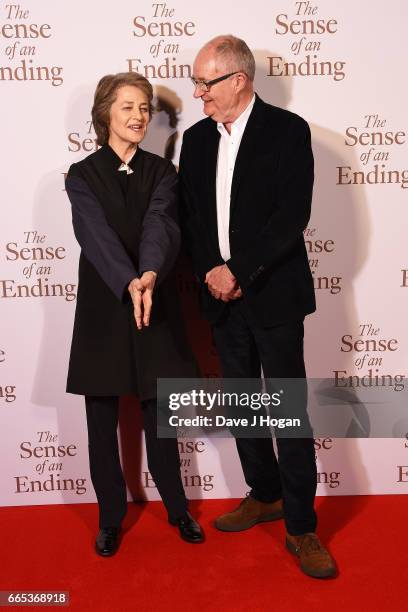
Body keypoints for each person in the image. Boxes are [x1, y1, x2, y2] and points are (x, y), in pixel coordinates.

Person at [179, 36, 336, 578]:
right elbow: (192, 217)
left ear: (238, 80)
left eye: (205, 83)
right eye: (197, 83)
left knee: (286, 410)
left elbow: (291, 217)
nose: (198, 94)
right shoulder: (196, 140)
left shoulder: (288, 131)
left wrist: (239, 273)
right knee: (244, 405)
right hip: (220, 298)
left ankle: (301, 527)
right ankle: (263, 494)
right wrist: (211, 272)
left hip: (272, 295)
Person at [65, 72, 204, 556]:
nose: (139, 116)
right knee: (100, 419)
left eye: (144, 107)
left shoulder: (163, 172)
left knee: (161, 412)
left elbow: (160, 225)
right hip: (104, 306)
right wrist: (127, 280)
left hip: (153, 298)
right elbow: (95, 234)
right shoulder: (81, 174)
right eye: (127, 107)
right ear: (106, 113)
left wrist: (147, 276)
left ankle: (178, 508)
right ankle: (109, 518)